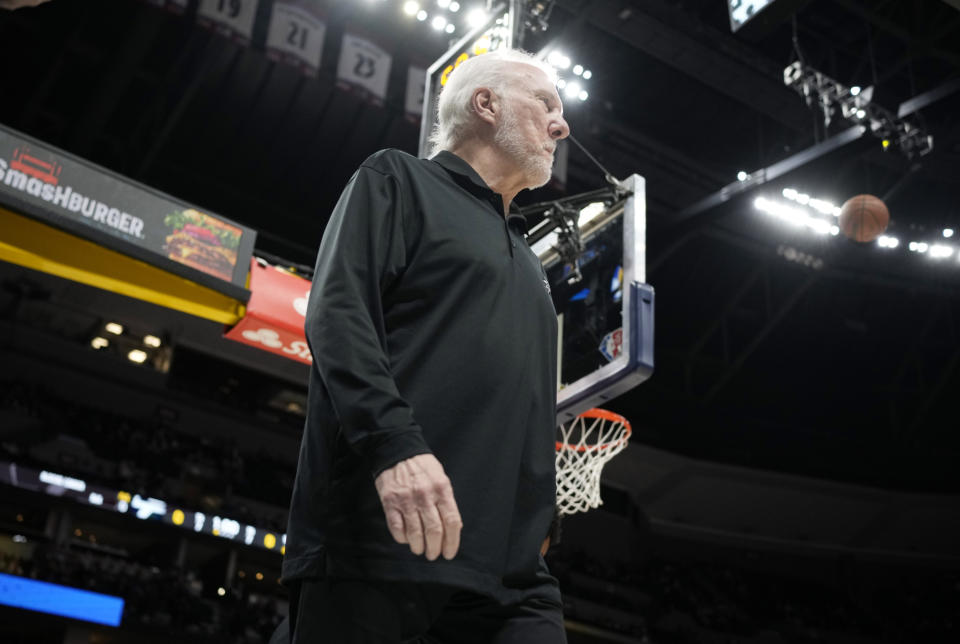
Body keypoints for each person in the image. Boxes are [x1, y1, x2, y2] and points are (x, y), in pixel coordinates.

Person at [278, 48, 570, 643]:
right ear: (486, 105)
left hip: (512, 571)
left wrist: (541, 515)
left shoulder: (529, 259)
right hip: (385, 532)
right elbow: (337, 314)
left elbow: (529, 398)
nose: (562, 125)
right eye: (546, 104)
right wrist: (393, 447)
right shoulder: (399, 178)